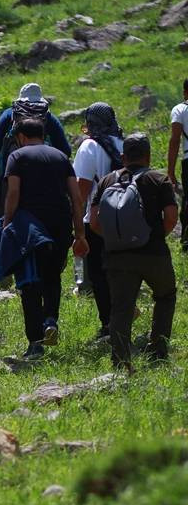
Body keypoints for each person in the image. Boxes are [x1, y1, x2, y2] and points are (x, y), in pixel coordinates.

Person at [2, 118, 88, 359]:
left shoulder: (17, 157)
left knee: (30, 283)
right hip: (59, 226)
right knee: (52, 277)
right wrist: (79, 233)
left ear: (20, 137)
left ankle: (35, 343)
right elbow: (75, 197)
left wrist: (7, 224)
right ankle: (50, 319)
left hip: (29, 228)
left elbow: (14, 193)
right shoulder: (60, 157)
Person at [90, 133, 177, 370]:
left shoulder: (107, 181)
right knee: (165, 295)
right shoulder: (159, 180)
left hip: (117, 257)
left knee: (121, 307)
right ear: (148, 156)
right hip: (154, 254)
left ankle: (120, 361)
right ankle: (158, 353)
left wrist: (115, 240)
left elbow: (95, 222)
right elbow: (170, 218)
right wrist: (155, 237)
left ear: (122, 157)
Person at [73, 102, 124, 340]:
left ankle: (108, 325)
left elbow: (81, 190)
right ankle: (123, 316)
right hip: (125, 217)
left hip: (95, 220)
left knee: (98, 274)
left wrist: (75, 227)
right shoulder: (122, 143)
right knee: (121, 270)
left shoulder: (89, 147)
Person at [0, 82, 72, 219]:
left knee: (5, 220)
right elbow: (65, 150)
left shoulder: (9, 115)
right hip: (44, 178)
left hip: (10, 175)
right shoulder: (49, 117)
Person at [165, 78, 188, 253]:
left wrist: (170, 170)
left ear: (185, 92)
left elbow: (175, 140)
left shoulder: (180, 110)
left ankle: (186, 240)